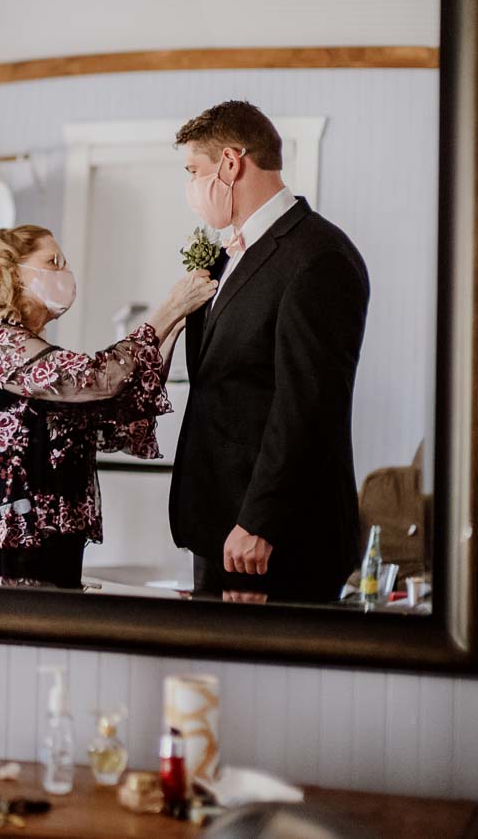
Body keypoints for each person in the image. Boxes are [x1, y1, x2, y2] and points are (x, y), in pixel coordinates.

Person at [168, 100, 370, 604]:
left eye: (194, 170)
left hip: (272, 539)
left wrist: (260, 520)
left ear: (232, 163)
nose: (191, 186)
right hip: (219, 523)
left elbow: (307, 406)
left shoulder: (318, 258)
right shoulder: (226, 256)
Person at [0, 225, 215, 588]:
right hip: (20, 539)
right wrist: (166, 312)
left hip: (59, 538)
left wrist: (170, 334)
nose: (64, 272)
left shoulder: (31, 348)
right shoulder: (3, 347)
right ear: (14, 274)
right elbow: (97, 378)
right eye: (52, 261)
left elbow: (115, 414)